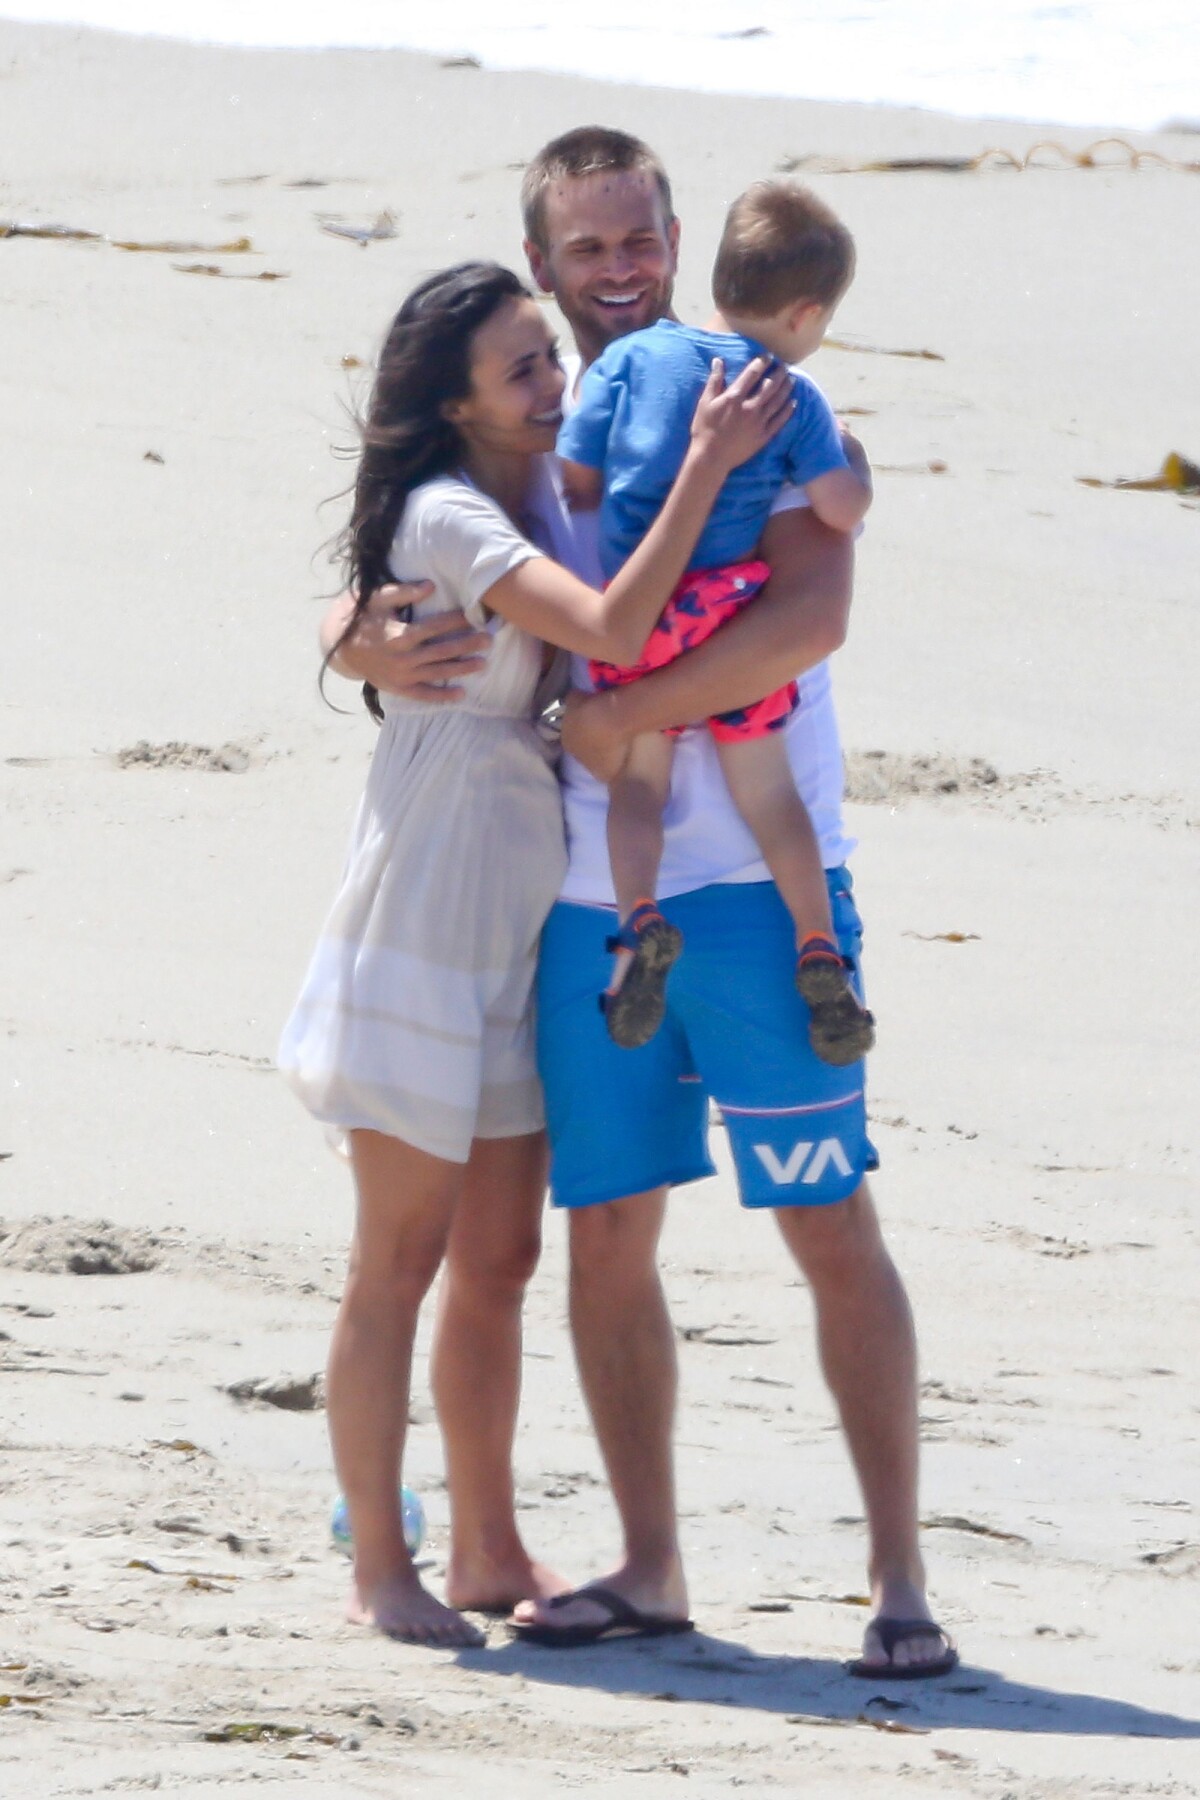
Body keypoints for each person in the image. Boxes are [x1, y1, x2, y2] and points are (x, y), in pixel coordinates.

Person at [327, 127, 956, 1678]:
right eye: (586, 251)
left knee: (826, 1215)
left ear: (677, 242)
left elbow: (811, 614)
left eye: (638, 240)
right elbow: (418, 542)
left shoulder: (752, 395)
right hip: (588, 911)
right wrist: (348, 631)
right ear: (542, 267)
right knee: (604, 1239)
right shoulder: (535, 449)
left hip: (758, 892)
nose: (617, 271)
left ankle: (900, 1581)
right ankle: (652, 1563)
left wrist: (620, 716)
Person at [281, 258, 791, 1647]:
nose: (552, 382)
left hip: (528, 921)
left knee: (497, 1260)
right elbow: (617, 626)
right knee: (398, 1256)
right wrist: (705, 463)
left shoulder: (544, 488)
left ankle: (491, 1548)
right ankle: (382, 1564)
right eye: (522, 368)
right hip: (431, 908)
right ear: (453, 401)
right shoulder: (451, 514)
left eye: (546, 359)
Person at [557, 179, 875, 1060]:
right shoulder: (792, 394)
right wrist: (851, 460)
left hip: (644, 614)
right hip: (726, 614)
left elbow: (576, 471)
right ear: (807, 313)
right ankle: (819, 947)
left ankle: (640, 918)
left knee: (638, 786)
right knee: (772, 799)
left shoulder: (638, 358)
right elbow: (841, 510)